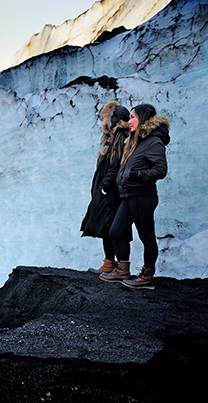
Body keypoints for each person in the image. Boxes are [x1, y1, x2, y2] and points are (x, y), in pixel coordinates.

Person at [100, 103, 170, 289]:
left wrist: (133, 176)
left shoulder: (154, 141)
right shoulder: (137, 140)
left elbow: (160, 170)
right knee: (115, 231)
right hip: (128, 195)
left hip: (142, 196)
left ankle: (147, 276)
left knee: (147, 237)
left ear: (143, 118)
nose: (129, 121)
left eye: (132, 117)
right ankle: (122, 270)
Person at [81, 101, 131, 274]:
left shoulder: (120, 137)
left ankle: (118, 266)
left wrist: (105, 185)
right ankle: (109, 263)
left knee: (112, 228)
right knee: (105, 227)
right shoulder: (112, 137)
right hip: (106, 192)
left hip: (111, 193)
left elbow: (116, 164)